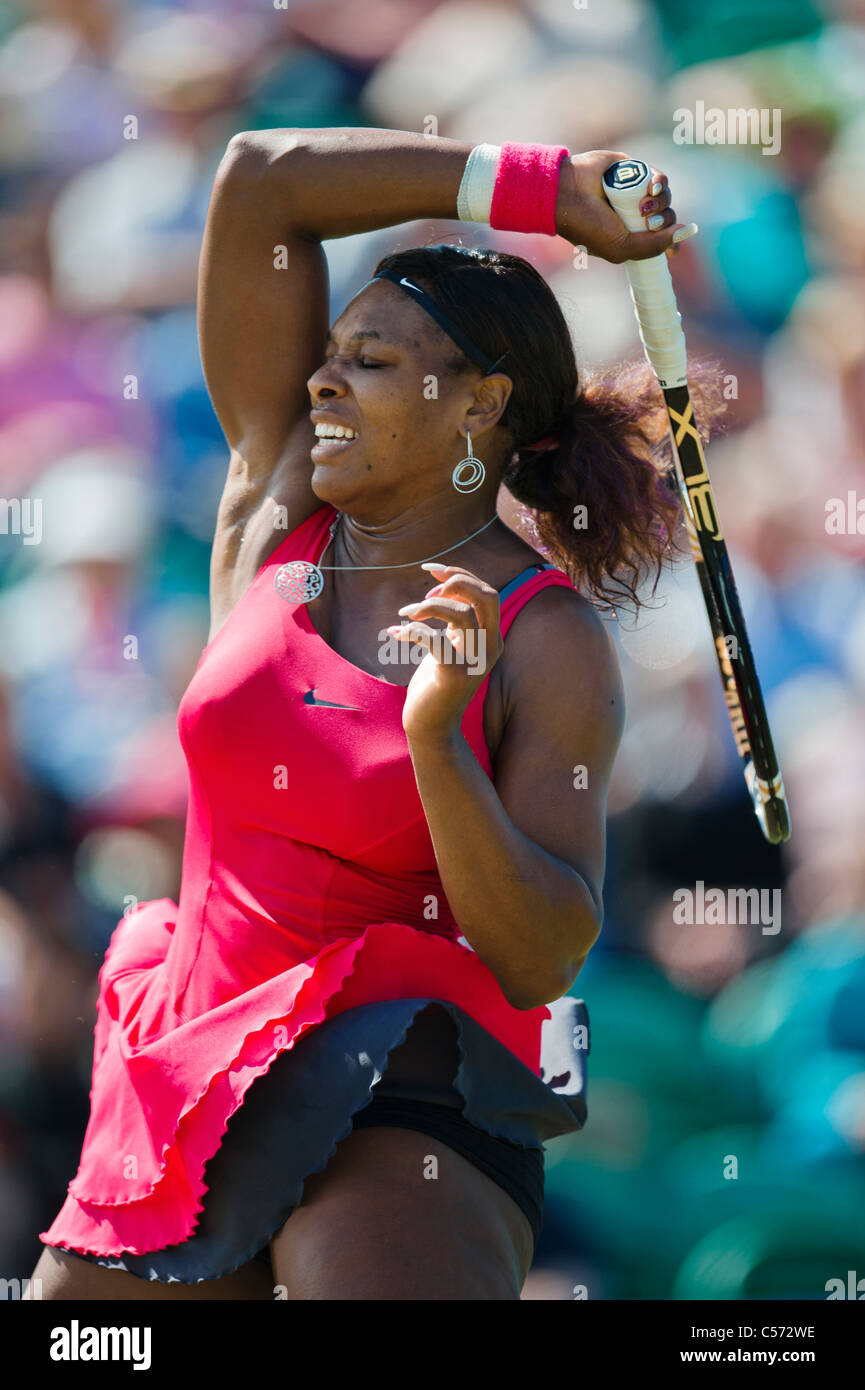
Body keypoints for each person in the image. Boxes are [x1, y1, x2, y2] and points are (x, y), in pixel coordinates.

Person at [27, 131, 690, 1300]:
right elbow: (261, 179)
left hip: (408, 1095)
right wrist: (539, 189)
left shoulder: (548, 639)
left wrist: (441, 745)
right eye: (331, 352)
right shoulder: (273, 501)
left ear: (478, 405)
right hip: (191, 1069)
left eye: (372, 362)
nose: (323, 379)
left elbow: (539, 955)